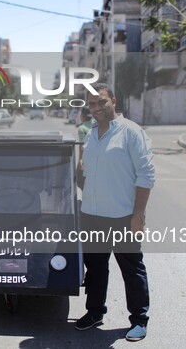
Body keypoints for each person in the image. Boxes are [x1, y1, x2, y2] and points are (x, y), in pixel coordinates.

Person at [75, 84, 155, 342]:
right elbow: (86, 175)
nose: (97, 107)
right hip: (92, 215)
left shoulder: (131, 132)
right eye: (92, 104)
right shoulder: (91, 134)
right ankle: (95, 312)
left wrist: (138, 214)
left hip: (122, 216)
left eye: (102, 102)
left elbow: (146, 174)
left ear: (114, 101)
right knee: (95, 269)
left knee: (132, 269)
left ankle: (139, 319)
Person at [76, 107, 93, 190]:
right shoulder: (96, 124)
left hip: (87, 158)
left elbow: (82, 145)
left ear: (82, 115)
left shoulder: (82, 128)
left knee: (81, 181)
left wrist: (80, 160)